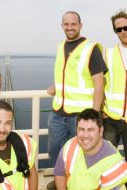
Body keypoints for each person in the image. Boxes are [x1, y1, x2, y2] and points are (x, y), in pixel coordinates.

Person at [46, 11, 107, 189]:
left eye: (74, 24)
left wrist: (94, 115)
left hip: (80, 116)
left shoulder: (91, 48)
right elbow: (67, 74)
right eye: (66, 24)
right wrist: (56, 87)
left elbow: (99, 85)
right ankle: (61, 181)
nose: (70, 27)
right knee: (55, 152)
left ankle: (78, 184)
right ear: (62, 26)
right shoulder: (60, 46)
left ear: (80, 25)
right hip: (58, 112)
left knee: (82, 154)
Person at [54, 108, 127, 190]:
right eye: (81, 129)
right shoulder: (70, 146)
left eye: (91, 130)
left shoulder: (114, 165)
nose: (85, 135)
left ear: (101, 131)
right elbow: (60, 173)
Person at [103, 10, 127, 162]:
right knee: (106, 160)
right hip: (111, 118)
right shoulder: (108, 53)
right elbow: (99, 83)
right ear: (116, 32)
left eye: (126, 27)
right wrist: (100, 112)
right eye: (119, 29)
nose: (123, 31)